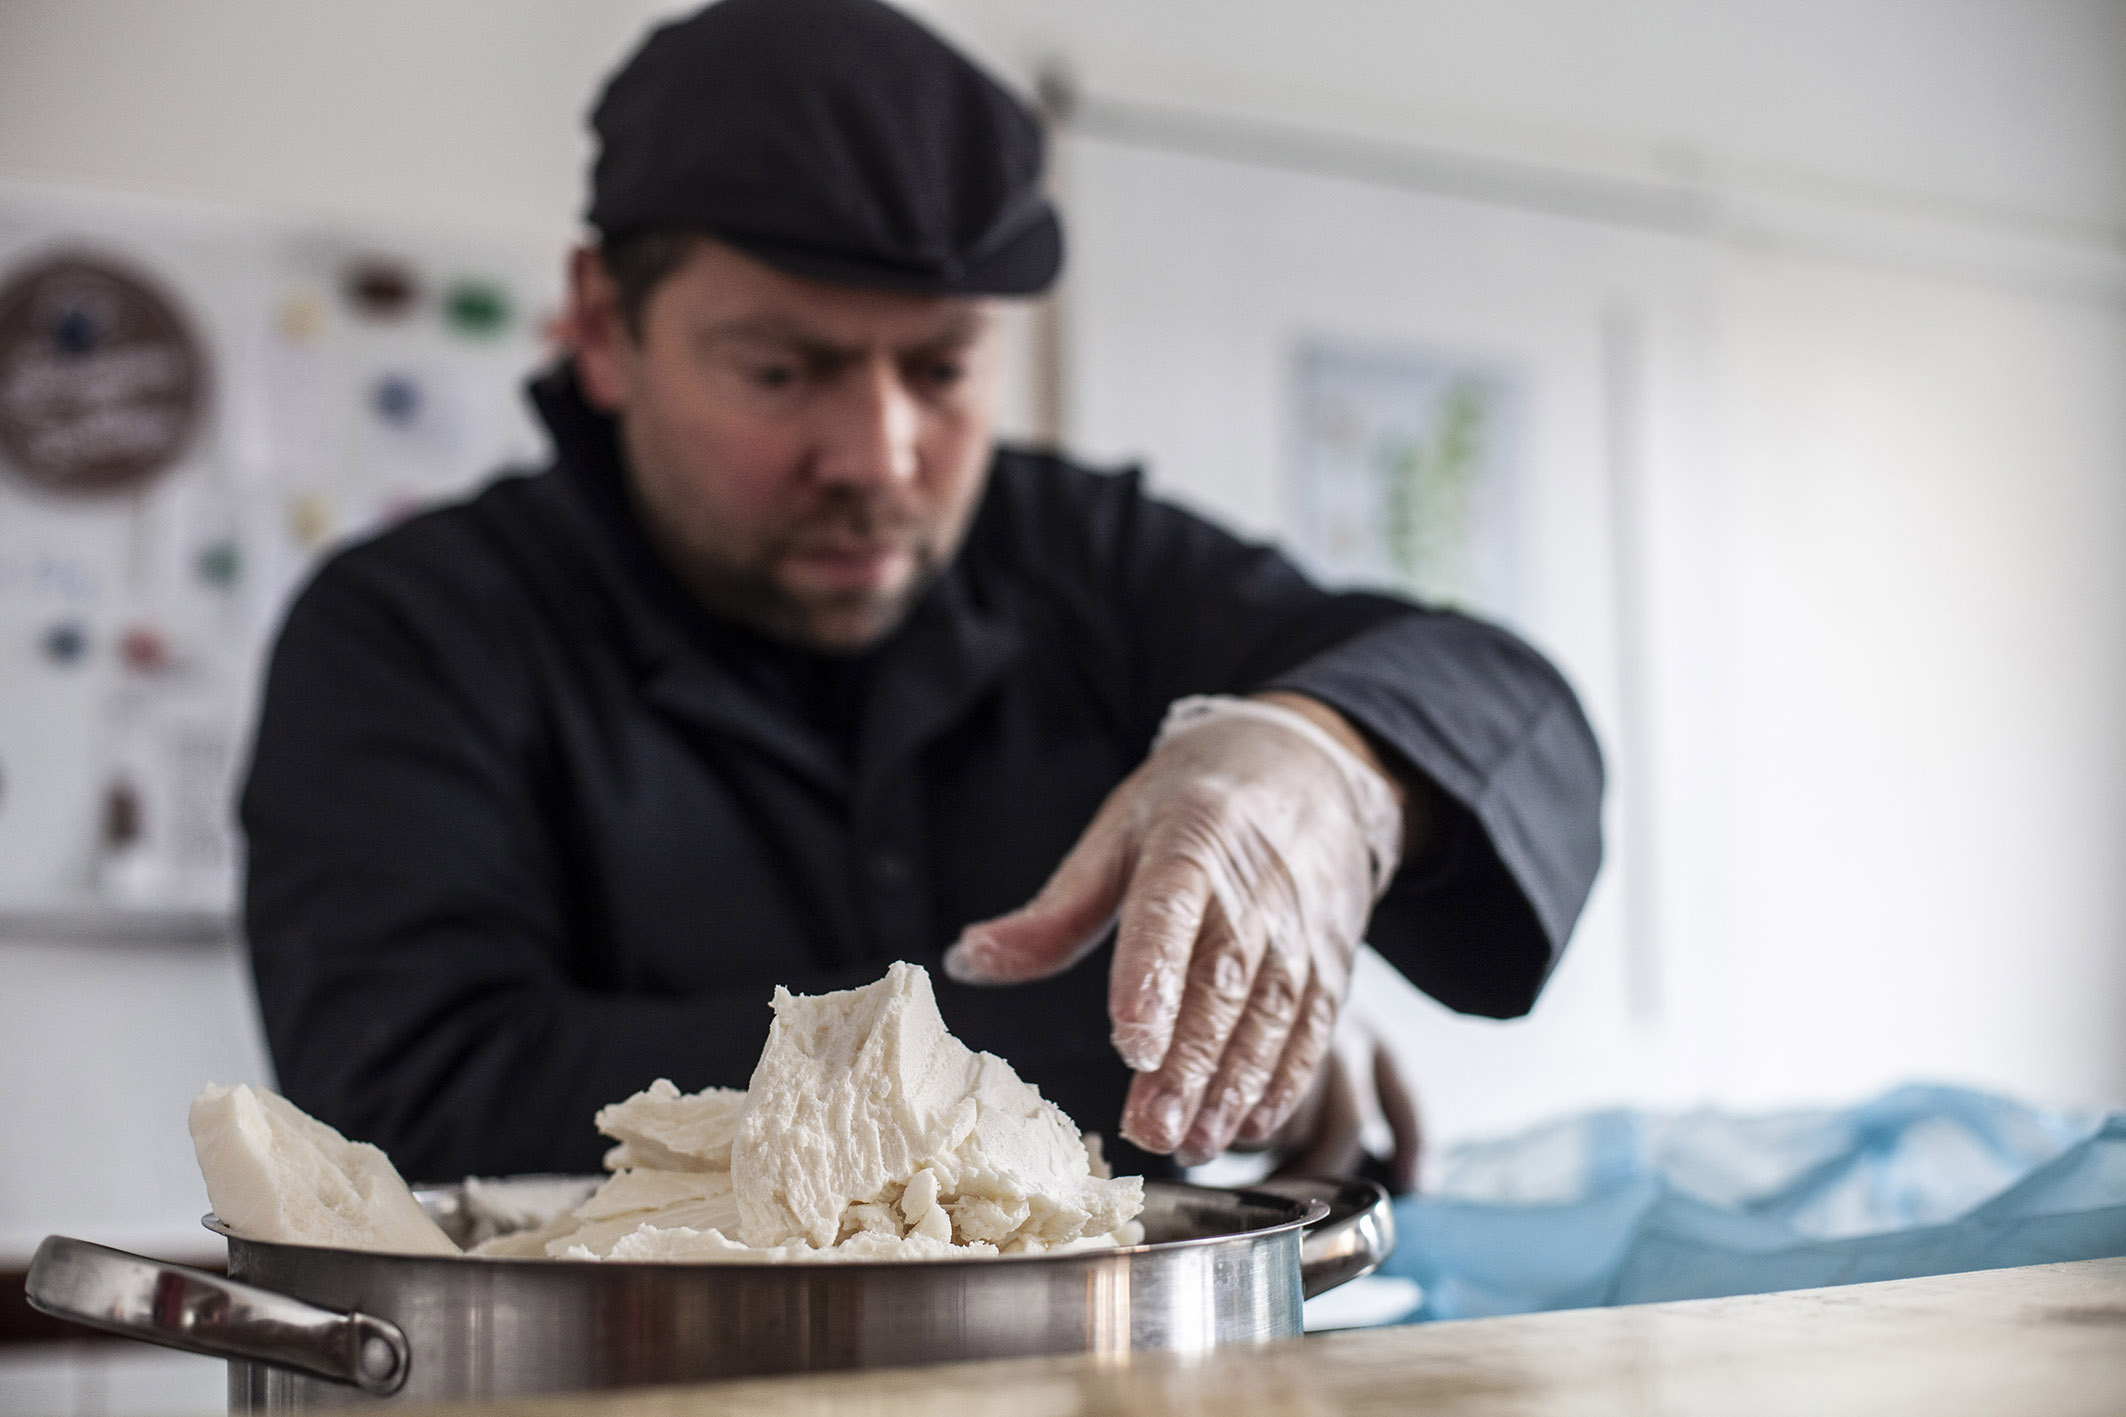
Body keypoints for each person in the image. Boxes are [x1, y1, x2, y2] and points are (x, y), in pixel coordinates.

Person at [241, 0, 1604, 1186]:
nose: (879, 459)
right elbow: (416, 1093)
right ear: (603, 326)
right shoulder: (409, 630)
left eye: (942, 370)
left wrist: (1329, 760)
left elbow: (1499, 694)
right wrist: (1157, 1038)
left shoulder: (1082, 552)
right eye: (781, 371)